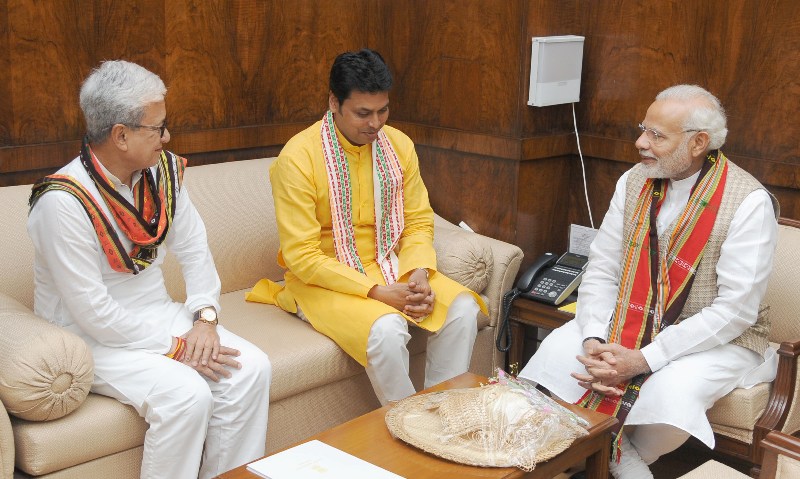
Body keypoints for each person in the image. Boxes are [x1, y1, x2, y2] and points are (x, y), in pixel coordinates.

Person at [519, 84, 779, 478]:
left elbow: (735, 311)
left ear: (698, 143)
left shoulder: (748, 201)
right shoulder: (634, 181)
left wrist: (644, 359)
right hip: (627, 319)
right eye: (644, 129)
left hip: (718, 337)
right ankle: (613, 459)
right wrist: (593, 338)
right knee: (559, 349)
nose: (641, 142)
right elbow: (602, 267)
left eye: (657, 136)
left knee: (673, 392)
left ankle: (609, 460)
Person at [27, 60, 271, 479]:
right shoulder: (62, 202)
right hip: (86, 338)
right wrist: (177, 348)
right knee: (186, 394)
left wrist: (205, 321)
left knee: (252, 368)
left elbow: (195, 250)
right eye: (157, 127)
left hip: (159, 313)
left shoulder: (163, 174)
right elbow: (93, 313)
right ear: (120, 135)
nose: (167, 136)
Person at [246, 49, 485, 405]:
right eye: (363, 113)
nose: (375, 124)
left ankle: (444, 411)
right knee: (386, 328)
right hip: (323, 281)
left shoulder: (399, 145)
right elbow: (302, 256)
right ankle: (408, 420)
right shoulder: (297, 159)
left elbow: (418, 220)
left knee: (462, 308)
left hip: (390, 266)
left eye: (383, 110)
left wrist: (417, 273)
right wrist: (376, 291)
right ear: (333, 102)